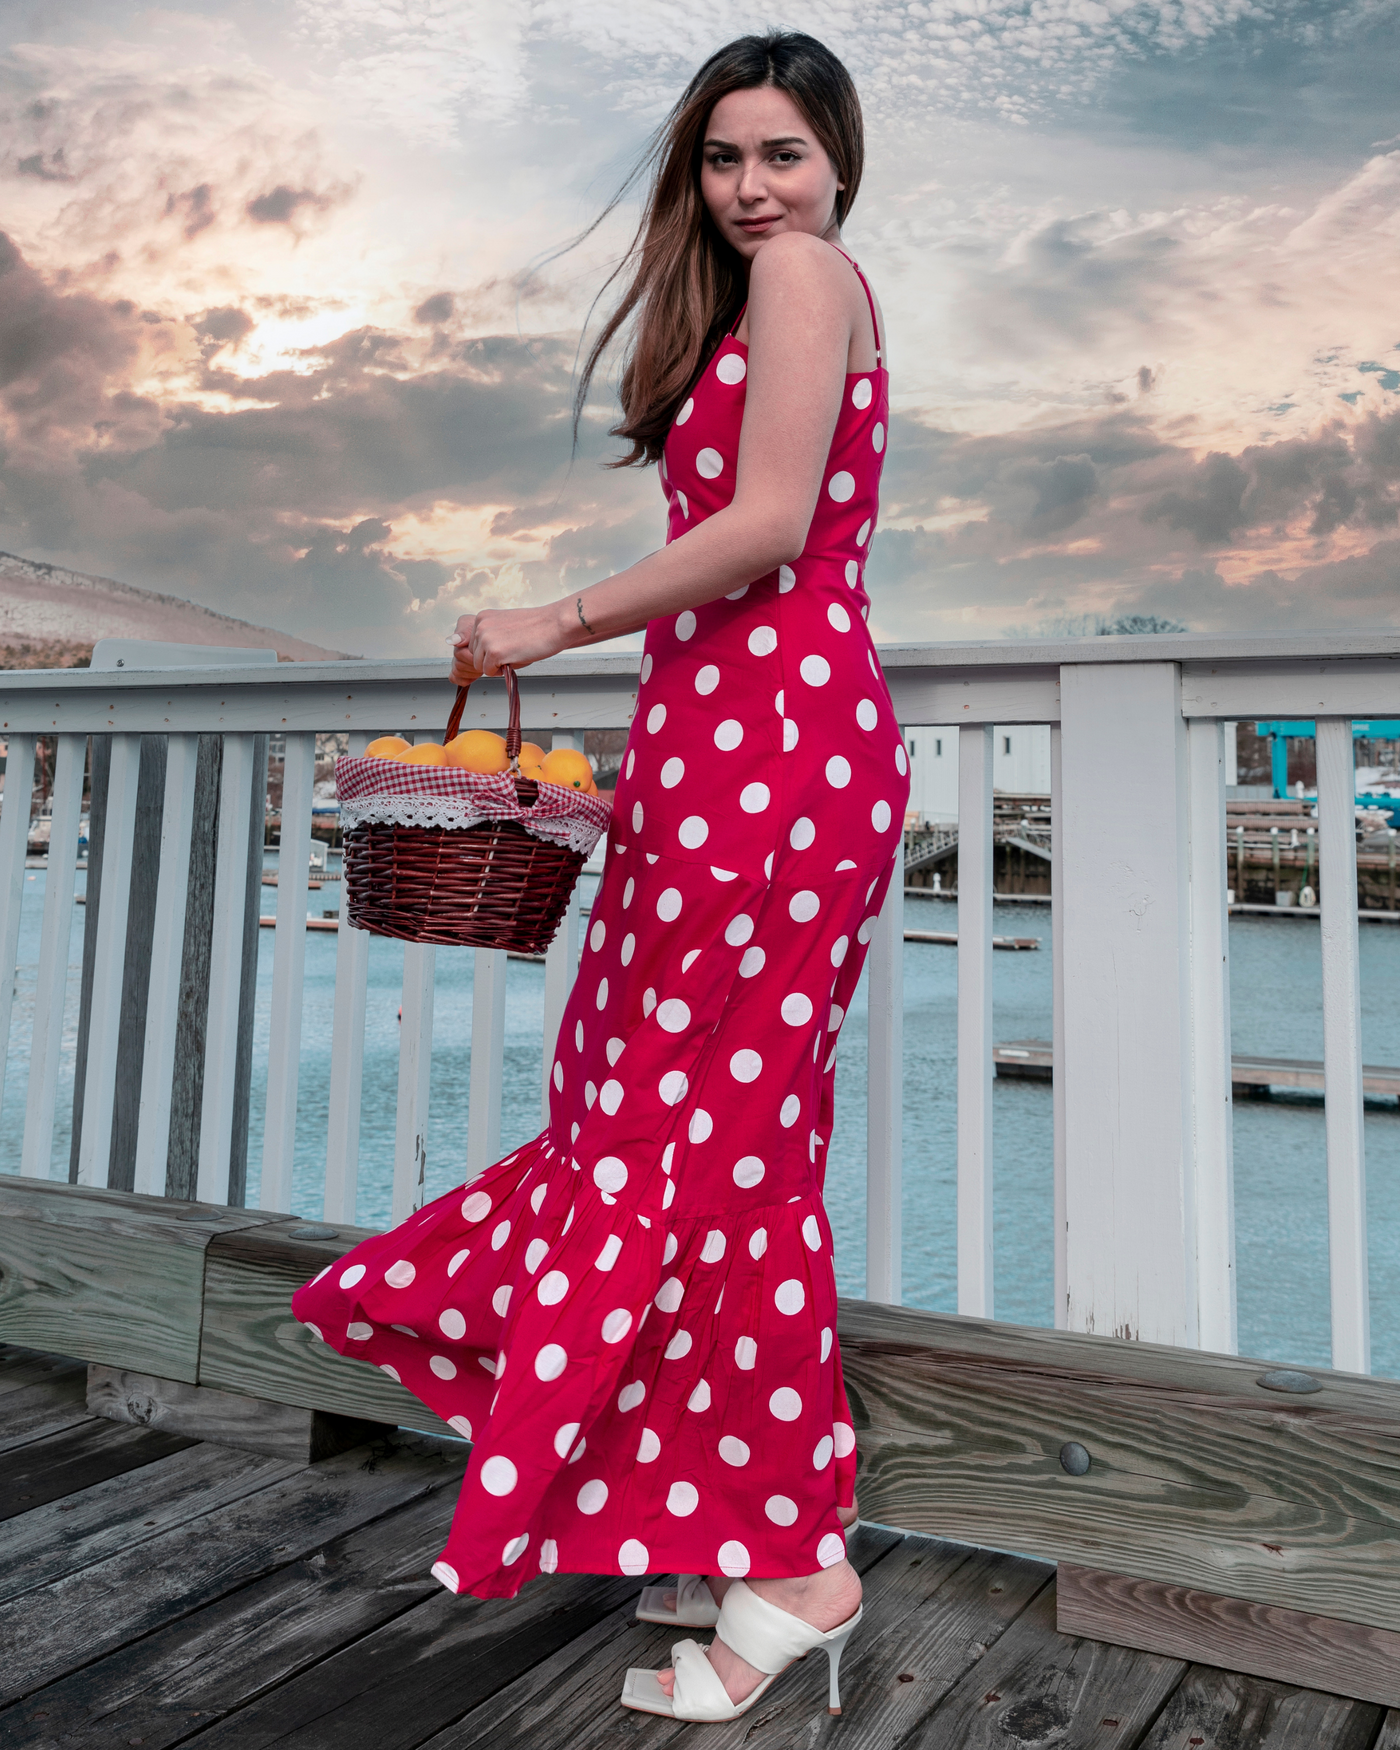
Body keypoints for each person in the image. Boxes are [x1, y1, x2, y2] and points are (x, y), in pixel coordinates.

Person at [292, 28, 908, 1726]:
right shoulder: (765, 292)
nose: (752, 187)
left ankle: (788, 1554)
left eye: (782, 152)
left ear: (839, 160)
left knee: (677, 1136)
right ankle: (749, 1535)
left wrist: (550, 619)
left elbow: (773, 519)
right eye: (724, 160)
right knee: (695, 1134)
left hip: (769, 744)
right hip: (740, 746)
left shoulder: (805, 279)